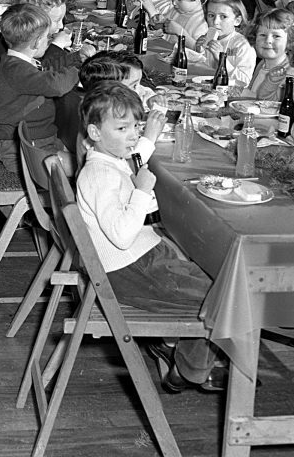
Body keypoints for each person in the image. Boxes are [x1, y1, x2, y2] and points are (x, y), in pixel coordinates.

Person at [76, 81, 223, 393]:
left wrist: (147, 138)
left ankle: (177, 349)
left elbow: (130, 158)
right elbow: (121, 236)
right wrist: (142, 191)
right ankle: (190, 369)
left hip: (145, 260)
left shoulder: (108, 158)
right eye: (122, 128)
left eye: (135, 126)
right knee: (227, 298)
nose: (131, 134)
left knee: (219, 279)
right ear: (94, 133)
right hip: (131, 271)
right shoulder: (100, 176)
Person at [0, 4, 77, 174]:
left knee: (80, 151)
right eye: (48, 37)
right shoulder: (17, 69)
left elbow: (46, 73)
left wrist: (75, 58)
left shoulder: (15, 62)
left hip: (36, 141)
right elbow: (56, 85)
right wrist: (78, 71)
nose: (49, 41)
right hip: (23, 151)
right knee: (83, 166)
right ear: (38, 41)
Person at [193, 0, 256, 86]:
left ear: (237, 21)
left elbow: (244, 82)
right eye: (211, 15)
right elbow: (204, 69)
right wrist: (199, 50)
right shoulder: (209, 38)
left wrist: (221, 59)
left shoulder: (243, 45)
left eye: (223, 17)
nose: (215, 22)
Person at [248, 8, 294, 100]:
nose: (268, 41)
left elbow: (275, 104)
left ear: (290, 40)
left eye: (276, 36)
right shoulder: (262, 63)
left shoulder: (290, 74)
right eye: (262, 35)